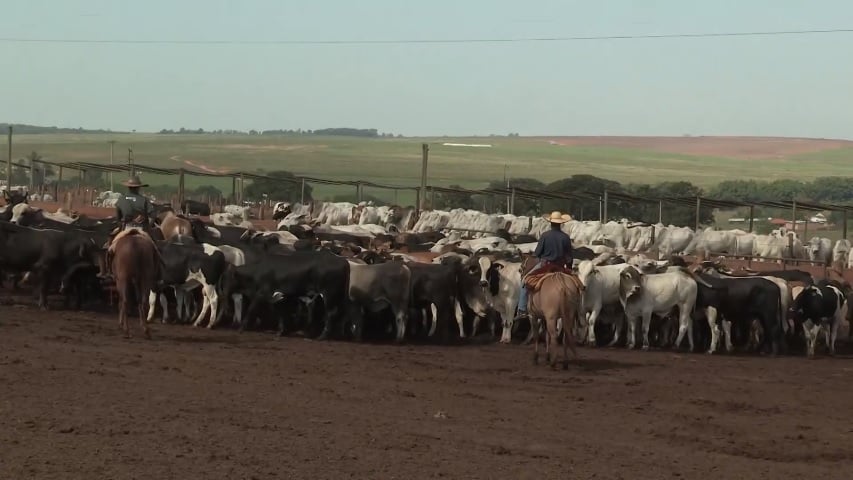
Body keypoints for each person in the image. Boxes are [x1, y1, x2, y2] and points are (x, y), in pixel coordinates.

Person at [513, 211, 574, 323]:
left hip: (545, 265)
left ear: (550, 223)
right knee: (578, 284)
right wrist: (569, 269)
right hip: (560, 266)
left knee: (525, 282)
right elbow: (569, 257)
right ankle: (578, 310)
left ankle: (522, 310)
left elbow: (537, 254)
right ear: (561, 223)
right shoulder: (565, 237)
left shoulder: (545, 235)